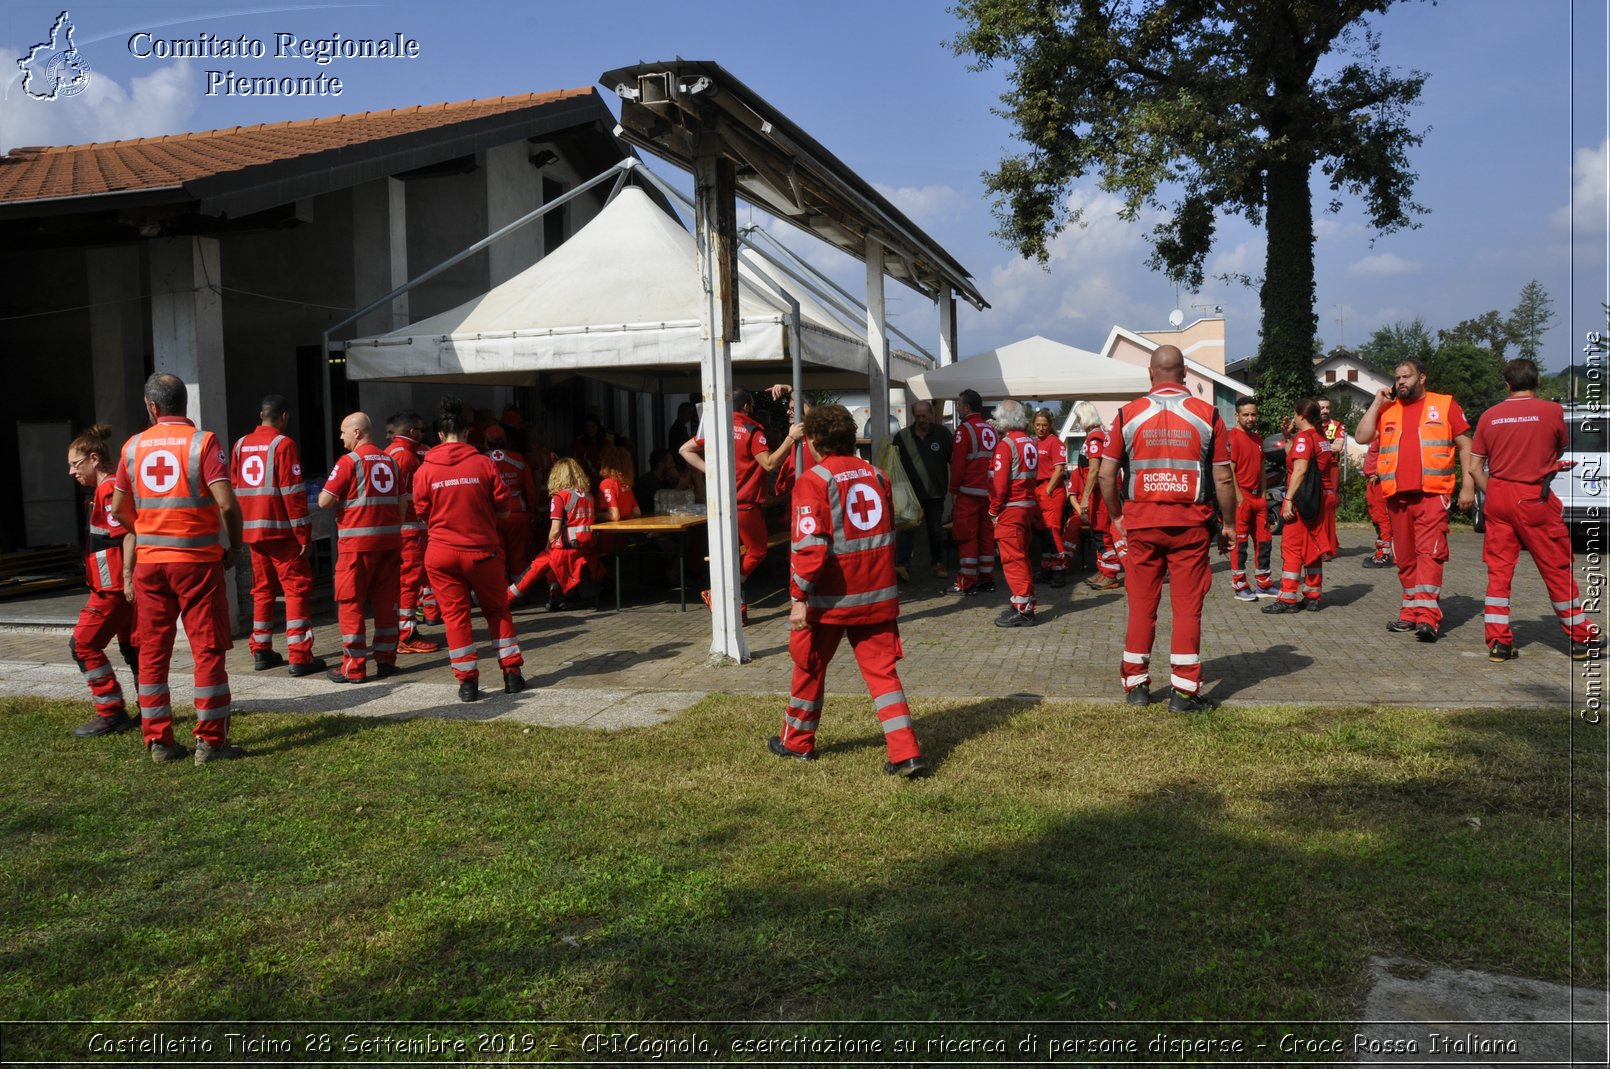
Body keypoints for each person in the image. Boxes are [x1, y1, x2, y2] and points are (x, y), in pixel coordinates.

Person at [768, 404, 926, 777]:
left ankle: (796, 743)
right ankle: (907, 753)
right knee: (883, 675)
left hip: (830, 599)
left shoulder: (813, 480)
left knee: (808, 667)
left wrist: (798, 598)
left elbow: (811, 546)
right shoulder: (878, 476)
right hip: (877, 595)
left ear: (812, 441)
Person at [110, 372, 244, 763]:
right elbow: (227, 504)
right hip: (198, 564)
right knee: (207, 651)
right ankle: (211, 742)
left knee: (152, 652)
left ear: (152, 408)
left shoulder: (132, 447)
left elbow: (119, 508)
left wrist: (149, 532)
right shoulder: (203, 442)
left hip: (150, 565)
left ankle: (159, 742)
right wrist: (234, 546)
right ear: (184, 404)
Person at [1098, 345, 1236, 712]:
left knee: (1142, 605)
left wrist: (1116, 517)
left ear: (1150, 373)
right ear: (1185, 372)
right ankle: (1185, 692)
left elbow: (1106, 474)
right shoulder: (1208, 415)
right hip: (1190, 525)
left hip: (1141, 525)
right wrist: (1231, 525)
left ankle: (1137, 685)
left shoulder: (1127, 414)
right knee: (1188, 606)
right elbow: (1223, 477)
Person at [1472, 358, 1602, 661]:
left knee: (1499, 573)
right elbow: (1558, 448)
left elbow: (1476, 467)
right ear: (1538, 382)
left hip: (1499, 495)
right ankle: (1581, 639)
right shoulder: (1552, 411)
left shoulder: (1489, 416)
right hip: (1533, 496)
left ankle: (1499, 644)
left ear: (1506, 384)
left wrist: (1495, 494)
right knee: (1555, 567)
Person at [1355, 358, 1476, 642]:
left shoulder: (1445, 404)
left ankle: (1428, 618)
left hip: (1433, 495)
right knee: (1405, 557)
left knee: (1430, 554)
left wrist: (1468, 485)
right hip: (1397, 496)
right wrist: (1376, 402)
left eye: (1406, 377)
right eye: (1397, 378)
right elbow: (1361, 436)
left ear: (1422, 378)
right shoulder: (1388, 410)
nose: (1400, 382)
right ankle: (1410, 612)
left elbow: (1466, 444)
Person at [413, 396, 524, 701]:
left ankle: (467, 684)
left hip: (441, 554)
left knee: (455, 617)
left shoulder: (425, 470)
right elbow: (504, 510)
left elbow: (421, 512)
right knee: (497, 611)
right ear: (466, 433)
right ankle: (511, 674)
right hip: (482, 552)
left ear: (438, 435)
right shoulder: (484, 463)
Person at [232, 394, 324, 676]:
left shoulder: (240, 445)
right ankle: (300, 656)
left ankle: (261, 649)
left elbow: (235, 488)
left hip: (253, 533)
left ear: (261, 414)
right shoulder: (283, 444)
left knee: (262, 590)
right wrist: (303, 535)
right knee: (296, 590)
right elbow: (293, 494)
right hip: (282, 534)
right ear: (284, 416)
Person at [679, 389, 788, 620]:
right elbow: (768, 464)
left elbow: (684, 450)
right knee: (757, 551)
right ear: (747, 408)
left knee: (733, 556)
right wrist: (790, 439)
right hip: (746, 504)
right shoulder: (752, 429)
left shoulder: (716, 426)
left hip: (723, 505)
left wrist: (710, 470)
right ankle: (720, 594)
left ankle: (738, 610)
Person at [67, 423, 140, 737]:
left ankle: (111, 713)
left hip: (112, 590)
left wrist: (126, 579)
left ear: (94, 459)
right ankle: (150, 711)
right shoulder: (106, 489)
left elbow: (128, 534)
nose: (72, 472)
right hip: (116, 588)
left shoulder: (108, 490)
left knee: (82, 645)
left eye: (75, 464)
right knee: (133, 649)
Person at [318, 413, 402, 684]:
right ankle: (387, 660)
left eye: (343, 432)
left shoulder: (349, 462)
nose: (340, 437)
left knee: (350, 603)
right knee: (386, 604)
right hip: (389, 544)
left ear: (356, 432)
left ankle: (353, 668)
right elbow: (401, 504)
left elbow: (324, 501)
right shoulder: (391, 461)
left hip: (356, 547)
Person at [1263, 399, 1330, 614]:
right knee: (1313, 548)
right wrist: (1286, 437)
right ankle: (1312, 595)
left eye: (1294, 414)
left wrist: (1289, 499)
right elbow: (1294, 457)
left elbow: (1299, 469)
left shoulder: (1305, 438)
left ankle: (1288, 597)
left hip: (1301, 500)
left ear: (1301, 416)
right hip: (1317, 501)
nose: (1293, 417)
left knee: (1292, 548)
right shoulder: (1321, 438)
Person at [510, 458, 602, 611]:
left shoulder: (559, 498)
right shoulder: (588, 496)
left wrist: (547, 546)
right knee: (553, 562)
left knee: (535, 568)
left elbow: (555, 530)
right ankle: (561, 595)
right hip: (585, 548)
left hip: (564, 549)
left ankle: (505, 600)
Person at [384, 410, 441, 654]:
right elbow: (407, 498)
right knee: (409, 583)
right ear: (410, 432)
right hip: (409, 530)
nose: (422, 434)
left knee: (397, 584)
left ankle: (397, 631)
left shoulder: (388, 453)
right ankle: (406, 635)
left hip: (395, 530)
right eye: (419, 430)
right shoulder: (407, 457)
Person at [988, 400, 1041, 625]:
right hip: (1027, 505)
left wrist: (993, 510)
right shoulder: (1030, 442)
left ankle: (1023, 609)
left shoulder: (1006, 445)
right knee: (1022, 556)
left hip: (1011, 508)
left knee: (1012, 559)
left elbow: (999, 486)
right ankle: (1023, 600)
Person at [891, 398, 951, 581]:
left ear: (931, 414)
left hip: (935, 491)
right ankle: (903, 565)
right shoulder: (902, 437)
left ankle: (937, 562)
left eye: (925, 415)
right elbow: (895, 465)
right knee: (907, 530)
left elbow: (953, 460)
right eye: (918, 416)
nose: (922, 419)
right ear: (913, 416)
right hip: (910, 493)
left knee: (935, 530)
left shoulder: (942, 434)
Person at [946, 389, 997, 595]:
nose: (958, 408)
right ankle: (987, 577)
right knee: (986, 535)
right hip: (989, 491)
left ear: (967, 407)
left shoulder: (964, 429)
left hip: (968, 491)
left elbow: (958, 464)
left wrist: (953, 489)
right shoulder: (992, 429)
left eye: (959, 405)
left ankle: (967, 580)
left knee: (966, 535)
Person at [1073, 401, 1124, 591]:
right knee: (1098, 532)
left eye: (1078, 418)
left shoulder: (1095, 437)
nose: (1078, 422)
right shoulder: (1100, 433)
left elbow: (1094, 469)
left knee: (1102, 533)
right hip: (1102, 491)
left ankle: (1110, 573)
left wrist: (1085, 497)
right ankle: (1103, 570)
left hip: (1100, 493)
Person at [1226, 398, 1274, 600]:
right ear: (1237, 415)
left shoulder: (1257, 439)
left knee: (1265, 541)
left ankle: (1263, 584)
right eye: (1245, 414)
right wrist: (1238, 498)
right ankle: (1240, 586)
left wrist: (1263, 493)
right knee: (1241, 544)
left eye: (1253, 414)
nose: (1250, 418)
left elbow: (1261, 468)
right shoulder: (1233, 437)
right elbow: (1230, 470)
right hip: (1242, 497)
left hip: (1258, 498)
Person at [483, 424, 537, 579]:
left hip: (492, 515)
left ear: (486, 441)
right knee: (518, 555)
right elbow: (530, 489)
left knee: (496, 556)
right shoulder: (518, 458)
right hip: (518, 513)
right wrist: (532, 513)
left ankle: (500, 592)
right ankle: (519, 593)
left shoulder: (480, 460)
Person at [1030, 408, 1069, 587]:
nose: (1041, 428)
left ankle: (1060, 570)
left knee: (1052, 531)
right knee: (1043, 532)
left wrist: (1047, 491)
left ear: (1050, 425)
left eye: (1044, 425)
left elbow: (1059, 470)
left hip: (1050, 490)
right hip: (1038, 489)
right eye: (1038, 425)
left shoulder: (1055, 443)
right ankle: (1047, 567)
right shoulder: (1034, 443)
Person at [1317, 399, 1347, 560]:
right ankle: (1327, 542)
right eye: (1322, 408)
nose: (1325, 410)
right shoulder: (1312, 425)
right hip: (1315, 470)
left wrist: (1318, 445)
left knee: (1328, 506)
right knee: (1317, 507)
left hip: (1331, 470)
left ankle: (1328, 548)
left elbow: (1338, 447)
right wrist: (1328, 443)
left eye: (1327, 407)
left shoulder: (1337, 425)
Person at [1361, 436, 1395, 568]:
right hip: (1373, 482)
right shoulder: (1376, 434)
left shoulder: (1385, 434)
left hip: (1380, 482)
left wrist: (1379, 473)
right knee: (1377, 519)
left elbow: (1390, 455)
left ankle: (1384, 555)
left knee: (1382, 519)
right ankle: (1382, 552)